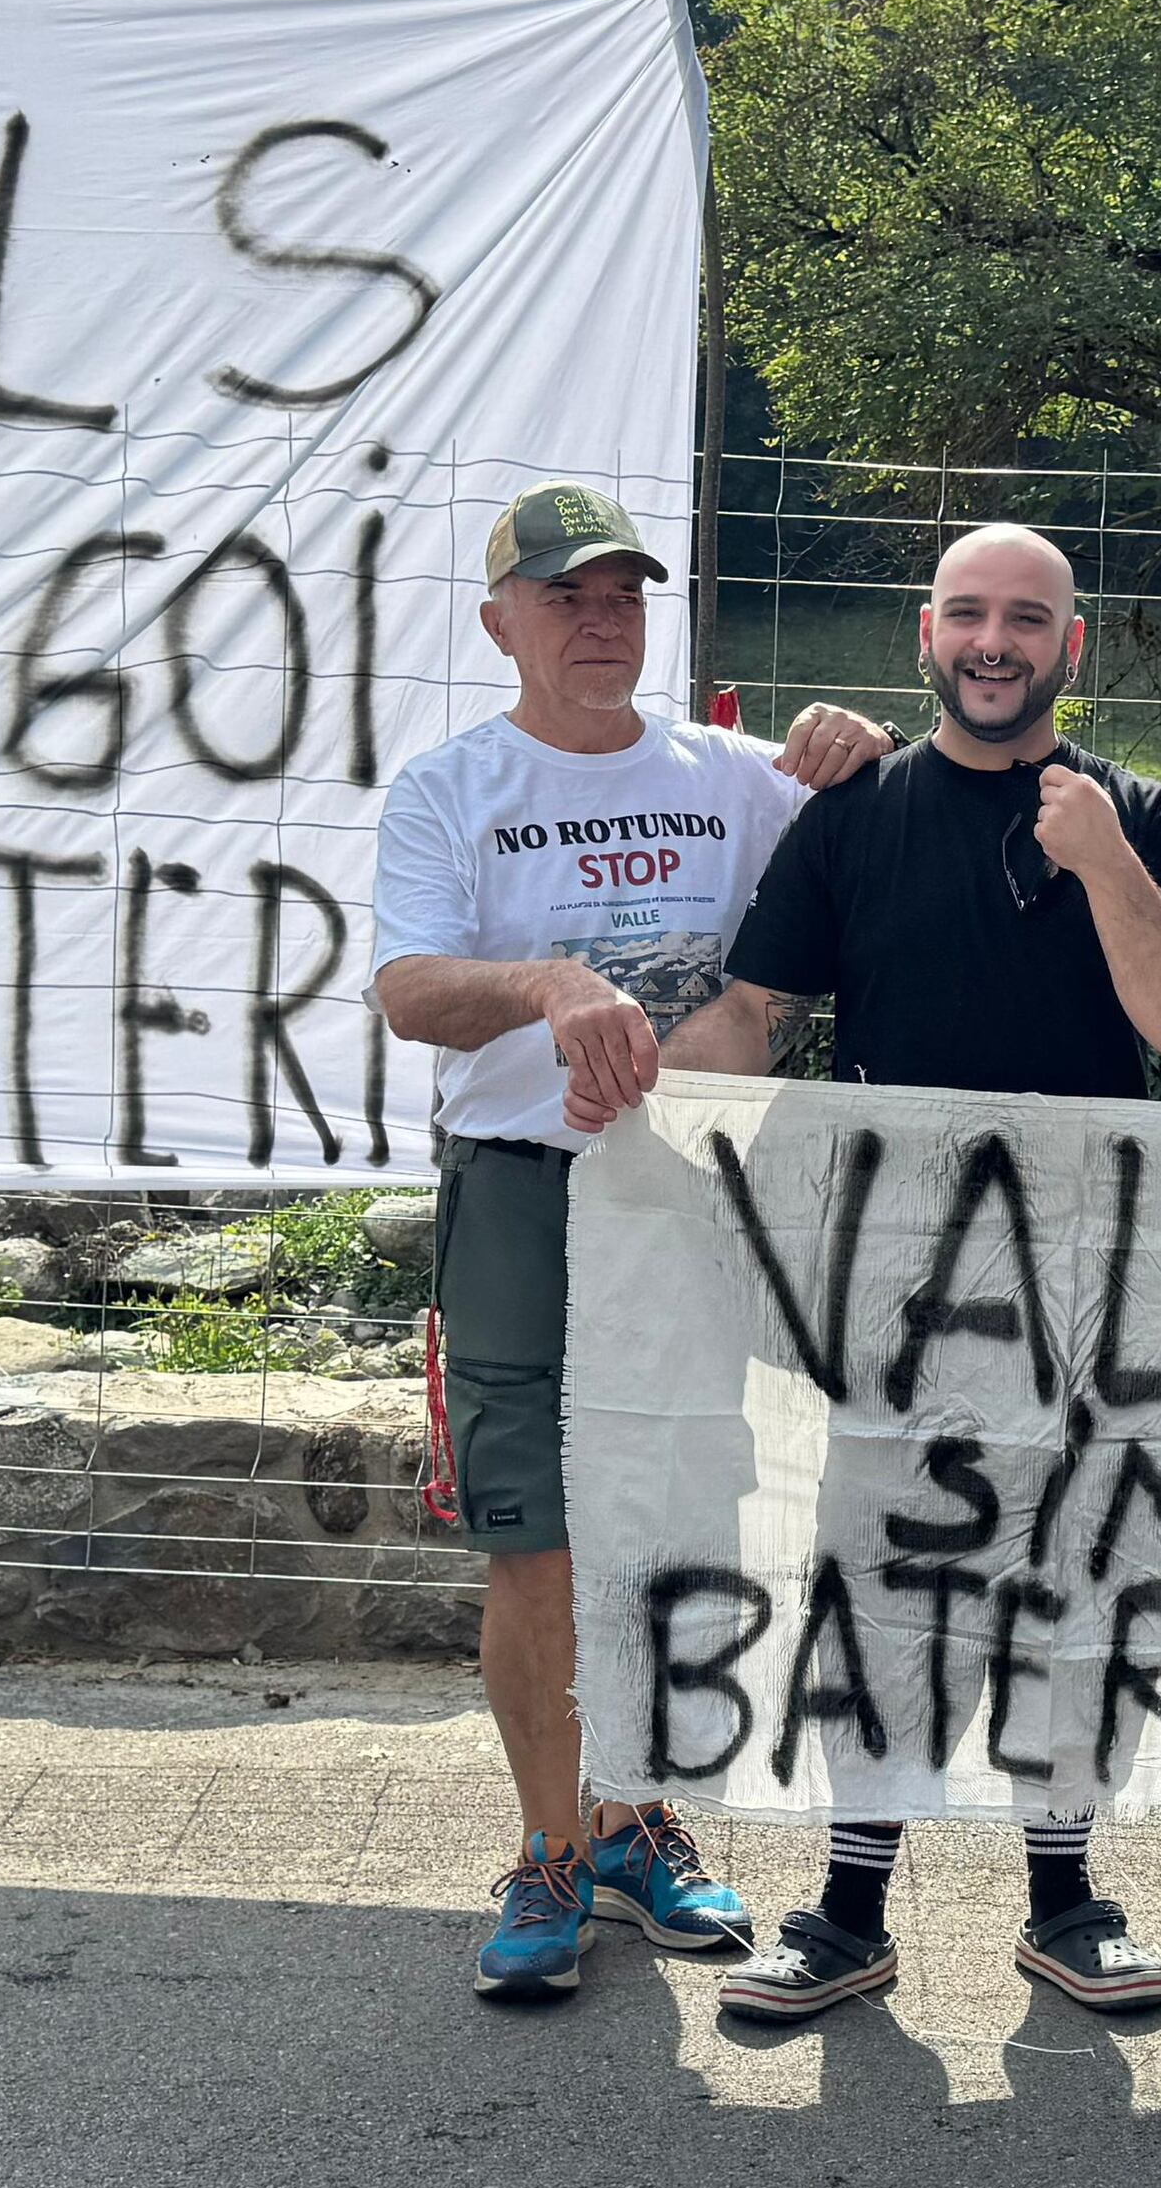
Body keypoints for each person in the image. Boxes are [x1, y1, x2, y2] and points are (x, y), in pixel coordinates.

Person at [660, 520, 1161, 2028]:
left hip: (1093, 1283)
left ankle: (1067, 1898)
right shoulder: (853, 815)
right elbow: (755, 1010)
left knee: (1080, 1583)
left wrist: (1104, 858)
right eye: (969, 614)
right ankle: (851, 1908)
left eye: (1027, 617)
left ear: (1074, 645)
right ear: (926, 635)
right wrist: (627, 1087)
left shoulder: (1148, 815)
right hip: (896, 1289)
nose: (996, 641)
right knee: (884, 1586)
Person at [369, 481, 886, 2004]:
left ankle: (632, 1815)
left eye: (624, 594)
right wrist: (547, 989)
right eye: (565, 594)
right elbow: (407, 989)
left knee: (671, 1516)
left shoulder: (738, 776)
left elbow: (897, 857)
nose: (601, 619)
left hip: (694, 1189)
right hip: (526, 1186)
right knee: (534, 1535)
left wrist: (865, 751)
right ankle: (545, 1843)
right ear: (499, 622)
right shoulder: (452, 785)